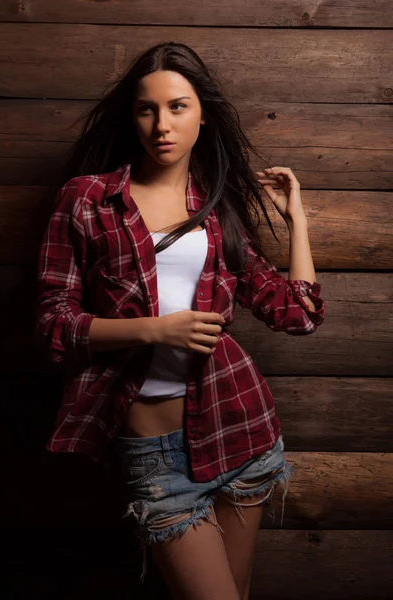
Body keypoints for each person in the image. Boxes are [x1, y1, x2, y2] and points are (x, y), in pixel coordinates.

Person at [36, 41, 326, 600]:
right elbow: (54, 325)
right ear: (133, 116)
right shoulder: (88, 200)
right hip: (155, 454)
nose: (161, 125)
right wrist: (153, 329)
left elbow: (300, 314)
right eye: (147, 109)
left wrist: (298, 222)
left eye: (178, 107)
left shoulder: (217, 216)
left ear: (202, 116)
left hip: (241, 432)